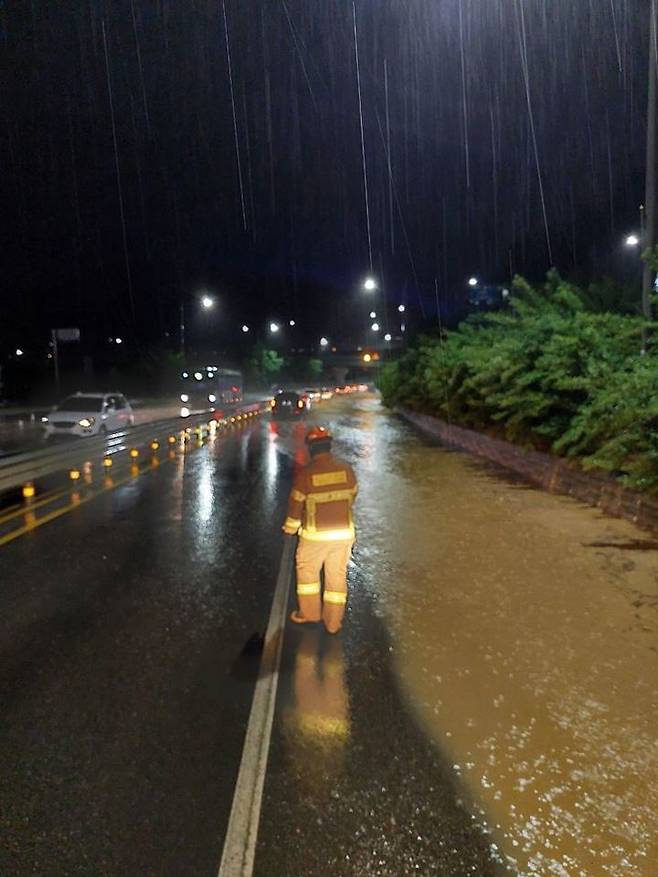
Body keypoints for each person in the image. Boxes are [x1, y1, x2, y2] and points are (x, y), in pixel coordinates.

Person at [282, 426, 358, 634]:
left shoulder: (306, 475)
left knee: (308, 575)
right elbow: (352, 496)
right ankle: (333, 623)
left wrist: (290, 528)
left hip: (315, 537)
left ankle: (310, 614)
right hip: (343, 534)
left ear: (311, 449)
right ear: (329, 446)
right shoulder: (347, 470)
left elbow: (296, 506)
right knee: (337, 577)